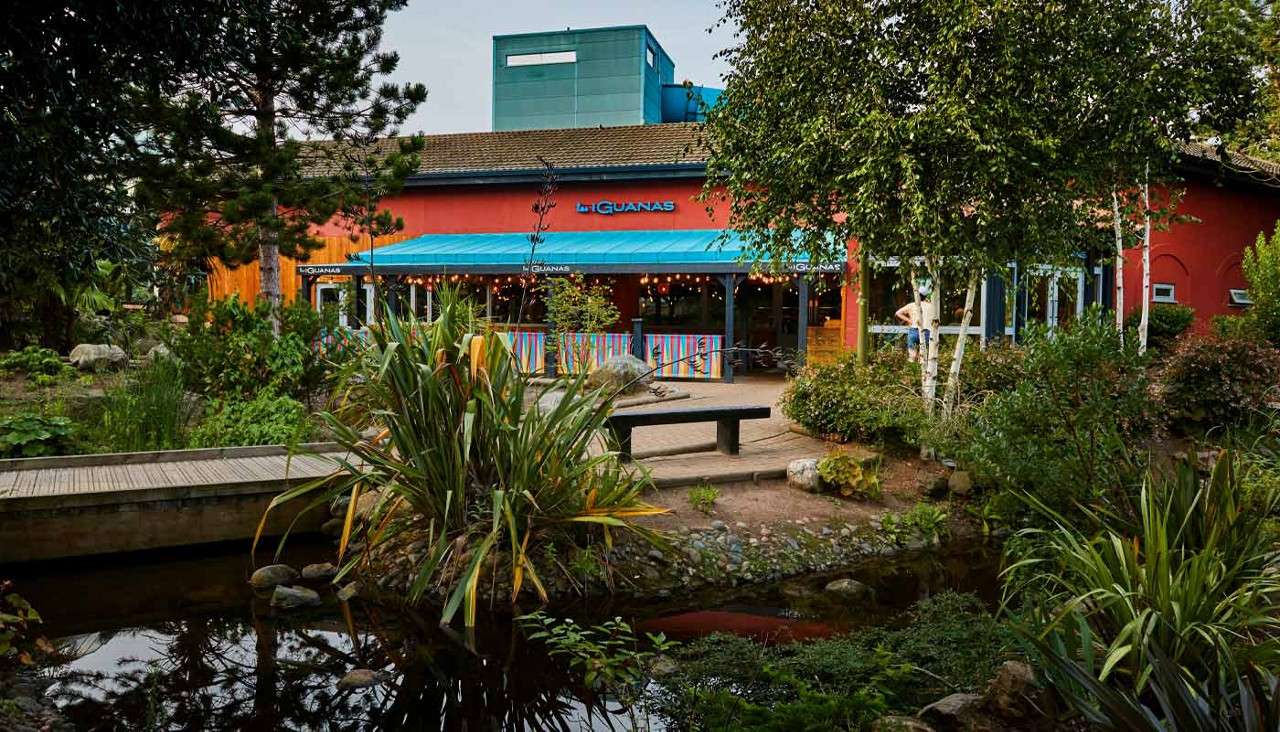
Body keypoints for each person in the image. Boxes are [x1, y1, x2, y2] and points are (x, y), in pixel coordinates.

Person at [894, 288, 935, 363]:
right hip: (926, 331)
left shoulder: (912, 305)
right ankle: (922, 373)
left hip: (913, 330)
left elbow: (898, 313)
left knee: (912, 356)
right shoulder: (931, 306)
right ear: (926, 296)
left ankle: (911, 372)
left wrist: (909, 320)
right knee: (923, 357)